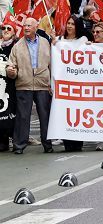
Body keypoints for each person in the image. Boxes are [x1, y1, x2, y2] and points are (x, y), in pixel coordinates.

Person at [8, 18, 52, 154]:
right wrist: (11, 71)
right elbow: (11, 64)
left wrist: (52, 83)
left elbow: (53, 64)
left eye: (29, 25)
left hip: (42, 84)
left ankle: (48, 144)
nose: (26, 28)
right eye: (25, 25)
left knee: (45, 116)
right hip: (24, 84)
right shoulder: (17, 46)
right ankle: (19, 145)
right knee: (22, 116)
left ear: (36, 27)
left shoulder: (46, 43)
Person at [0, 22, 17, 151]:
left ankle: (13, 137)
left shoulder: (16, 47)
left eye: (8, 28)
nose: (5, 30)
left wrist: (13, 71)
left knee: (10, 113)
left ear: (14, 32)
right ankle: (2, 141)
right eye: (3, 28)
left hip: (11, 86)